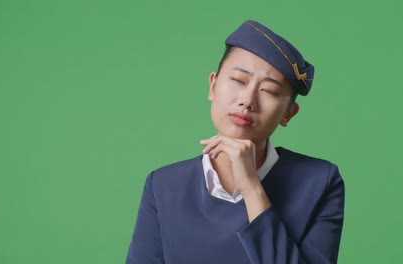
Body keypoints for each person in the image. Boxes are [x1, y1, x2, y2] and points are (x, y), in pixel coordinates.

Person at [126, 20, 345, 264]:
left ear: (288, 114)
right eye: (239, 80)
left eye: (270, 91)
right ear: (212, 85)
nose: (247, 100)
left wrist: (252, 188)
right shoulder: (164, 185)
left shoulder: (319, 181)